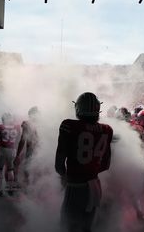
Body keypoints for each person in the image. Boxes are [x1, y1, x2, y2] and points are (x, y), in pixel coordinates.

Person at [55, 92, 113, 232]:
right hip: (94, 186)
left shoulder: (68, 125)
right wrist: (89, 169)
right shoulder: (107, 129)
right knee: (87, 227)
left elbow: (59, 163)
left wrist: (64, 176)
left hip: (75, 186)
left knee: (69, 226)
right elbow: (106, 165)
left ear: (78, 108)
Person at [0, 113, 20, 197]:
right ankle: (11, 188)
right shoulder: (16, 127)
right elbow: (18, 140)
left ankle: (0, 189)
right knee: (10, 169)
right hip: (12, 149)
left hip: (3, 149)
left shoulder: (0, 127)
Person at [13, 106, 40, 187]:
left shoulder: (27, 124)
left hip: (32, 150)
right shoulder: (43, 124)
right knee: (35, 168)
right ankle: (36, 187)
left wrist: (17, 154)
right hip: (40, 150)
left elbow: (22, 140)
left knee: (27, 168)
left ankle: (29, 187)